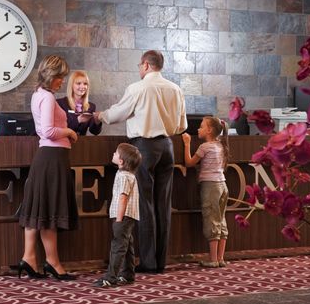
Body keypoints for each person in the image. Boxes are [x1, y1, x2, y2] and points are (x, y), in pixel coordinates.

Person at [95, 50, 187, 273]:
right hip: (167, 146)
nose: (139, 69)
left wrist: (100, 116)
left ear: (146, 65)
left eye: (139, 65)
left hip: (144, 147)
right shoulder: (175, 89)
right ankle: (160, 262)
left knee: (144, 205)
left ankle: (148, 263)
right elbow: (182, 125)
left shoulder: (139, 87)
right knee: (163, 205)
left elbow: (119, 113)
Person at [18, 55, 78, 280]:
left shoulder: (39, 95)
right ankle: (53, 262)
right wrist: (70, 132)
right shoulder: (49, 98)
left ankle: (29, 258)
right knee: (49, 212)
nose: (62, 81)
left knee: (39, 209)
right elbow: (48, 131)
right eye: (60, 77)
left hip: (47, 157)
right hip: (53, 157)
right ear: (51, 75)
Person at [182, 117, 229, 268]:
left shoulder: (205, 147)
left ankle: (213, 259)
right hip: (222, 185)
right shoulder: (221, 145)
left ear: (209, 130)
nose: (198, 129)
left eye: (201, 127)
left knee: (211, 219)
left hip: (210, 187)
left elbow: (189, 163)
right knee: (221, 220)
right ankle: (220, 258)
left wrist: (187, 143)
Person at [94, 143, 142, 288]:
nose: (113, 154)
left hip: (123, 216)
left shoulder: (123, 176)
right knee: (127, 245)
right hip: (129, 216)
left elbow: (123, 197)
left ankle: (111, 277)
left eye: (116, 153)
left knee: (118, 246)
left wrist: (119, 219)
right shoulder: (129, 175)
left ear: (121, 161)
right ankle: (128, 274)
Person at [56, 70, 102, 136]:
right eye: (78, 83)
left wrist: (97, 121)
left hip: (82, 144)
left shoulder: (91, 106)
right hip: (64, 142)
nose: (82, 87)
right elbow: (59, 128)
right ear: (71, 85)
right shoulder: (60, 103)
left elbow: (94, 132)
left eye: (85, 84)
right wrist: (77, 120)